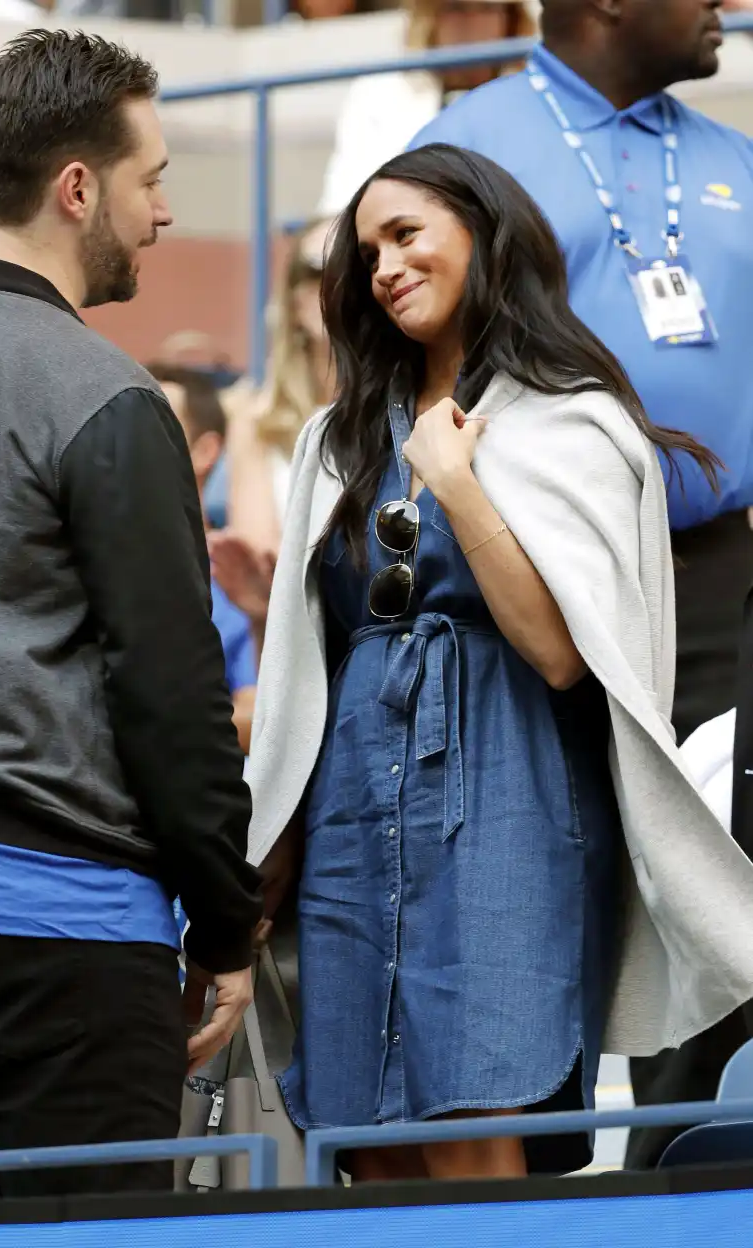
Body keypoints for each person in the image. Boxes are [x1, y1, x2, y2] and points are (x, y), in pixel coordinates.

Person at [244, 142, 753, 1183]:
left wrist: (461, 487)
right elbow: (310, 665)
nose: (382, 266)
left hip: (508, 801)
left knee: (477, 1119)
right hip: (352, 808)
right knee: (360, 1132)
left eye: (406, 234)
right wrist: (276, 838)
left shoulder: (577, 419)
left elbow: (566, 658)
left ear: (485, 233)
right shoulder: (333, 442)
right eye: (365, 251)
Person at [0, 30, 262, 1199]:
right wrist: (226, 930)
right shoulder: (108, 395)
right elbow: (171, 688)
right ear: (78, 188)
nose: (163, 213)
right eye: (154, 180)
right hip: (64, 939)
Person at [407, 0, 753, 1165]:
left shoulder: (729, 156)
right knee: (543, 874)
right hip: (541, 581)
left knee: (728, 870)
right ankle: (561, 1175)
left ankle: (702, 1158)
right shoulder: (468, 143)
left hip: (726, 572)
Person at [318, 0, 535, 218]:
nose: (473, 24)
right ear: (429, 18)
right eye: (456, 8)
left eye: (487, 9)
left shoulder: (537, 93)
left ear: (511, 18)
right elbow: (341, 203)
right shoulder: (377, 93)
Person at [149, 361, 259, 753]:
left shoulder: (237, 577)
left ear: (205, 450)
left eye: (153, 421)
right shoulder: (84, 557)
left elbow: (260, 718)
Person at [223, 217, 336, 558]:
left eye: (357, 267)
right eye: (318, 271)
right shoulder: (257, 421)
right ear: (295, 301)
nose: (339, 286)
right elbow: (261, 565)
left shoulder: (413, 413)